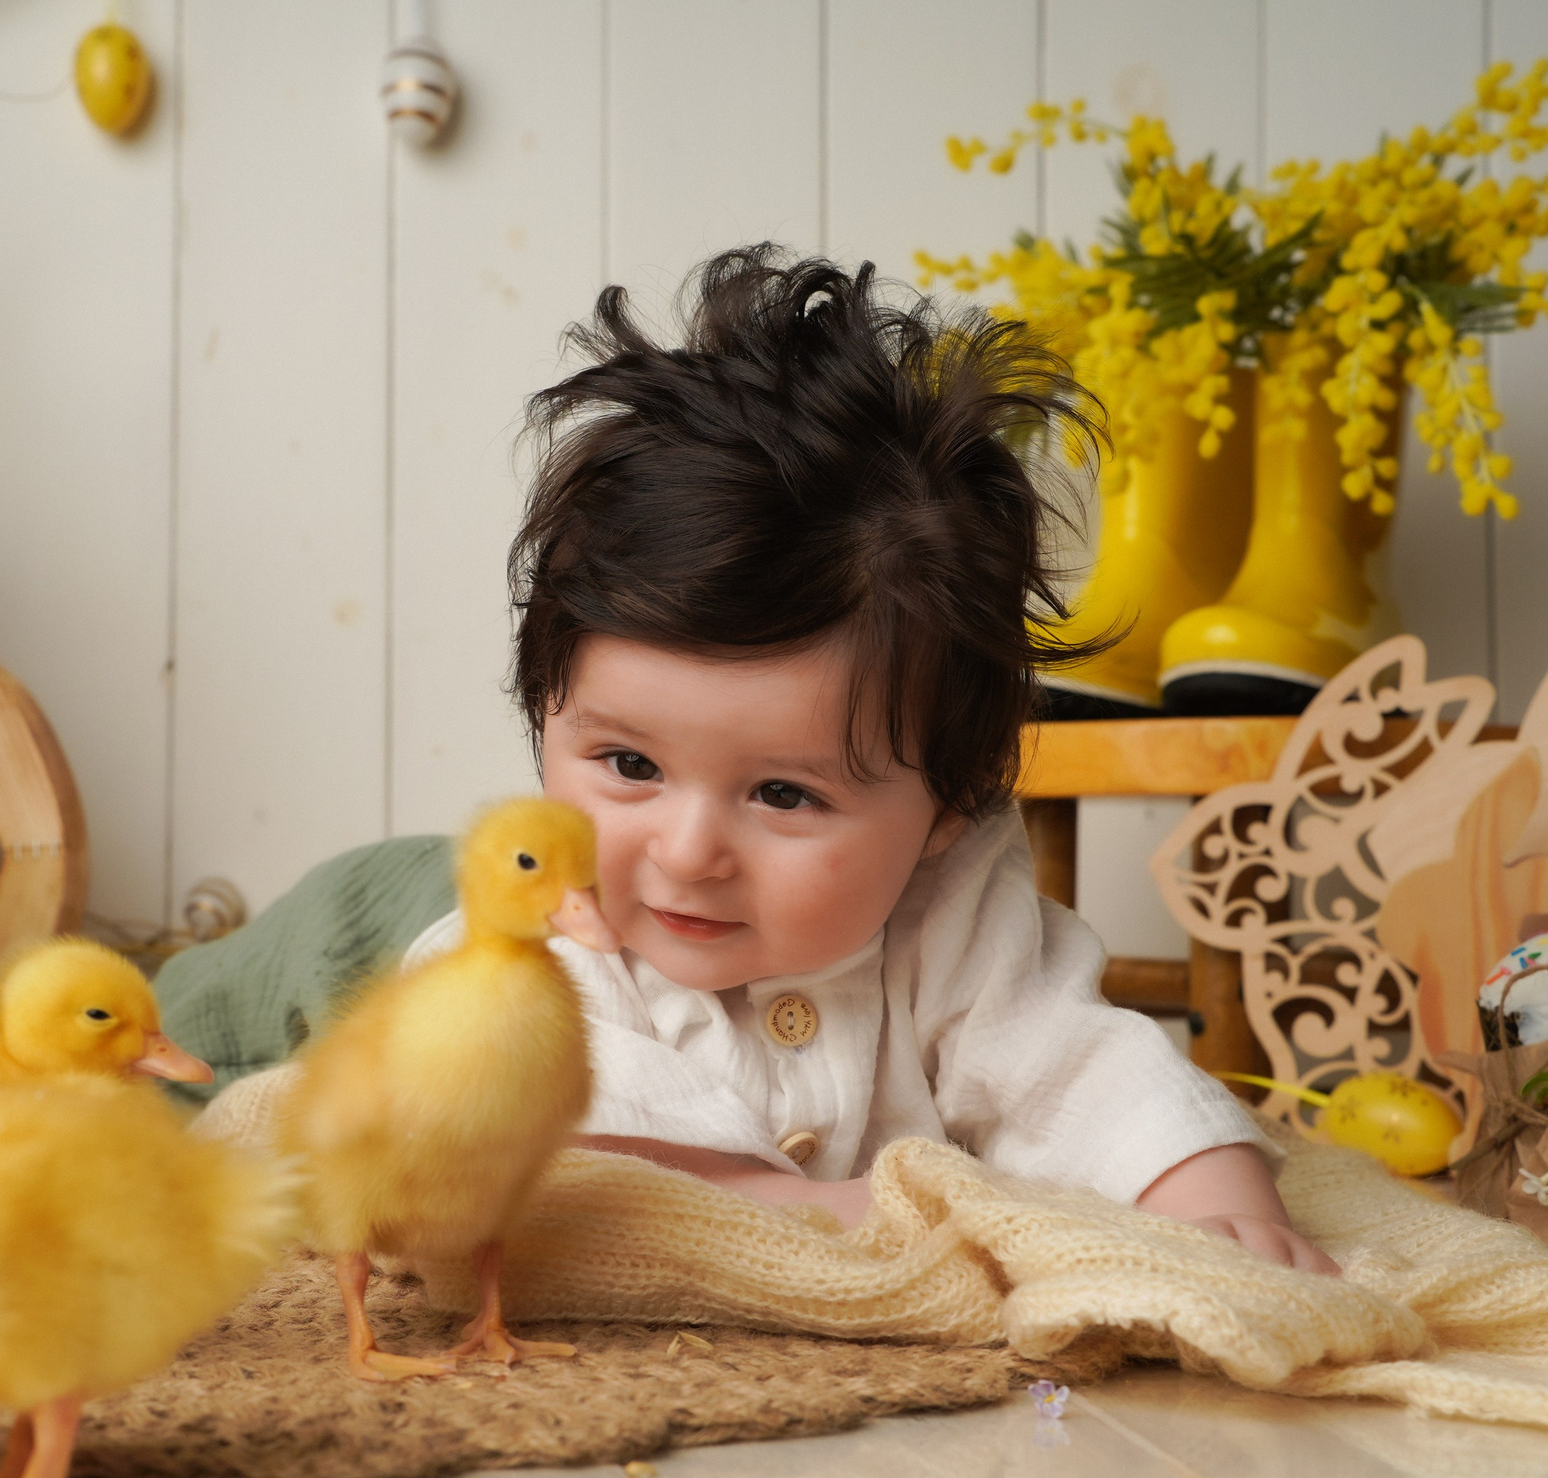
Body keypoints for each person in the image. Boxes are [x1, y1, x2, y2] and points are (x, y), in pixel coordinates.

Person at [392, 245, 1335, 1273]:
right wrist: (788, 1204)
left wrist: (1209, 1198)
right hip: (372, 909)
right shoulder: (532, 949)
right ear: (547, 718)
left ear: (949, 807)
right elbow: (572, 1159)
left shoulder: (955, 910)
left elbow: (1072, 1066)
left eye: (783, 793)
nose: (689, 848)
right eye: (627, 766)